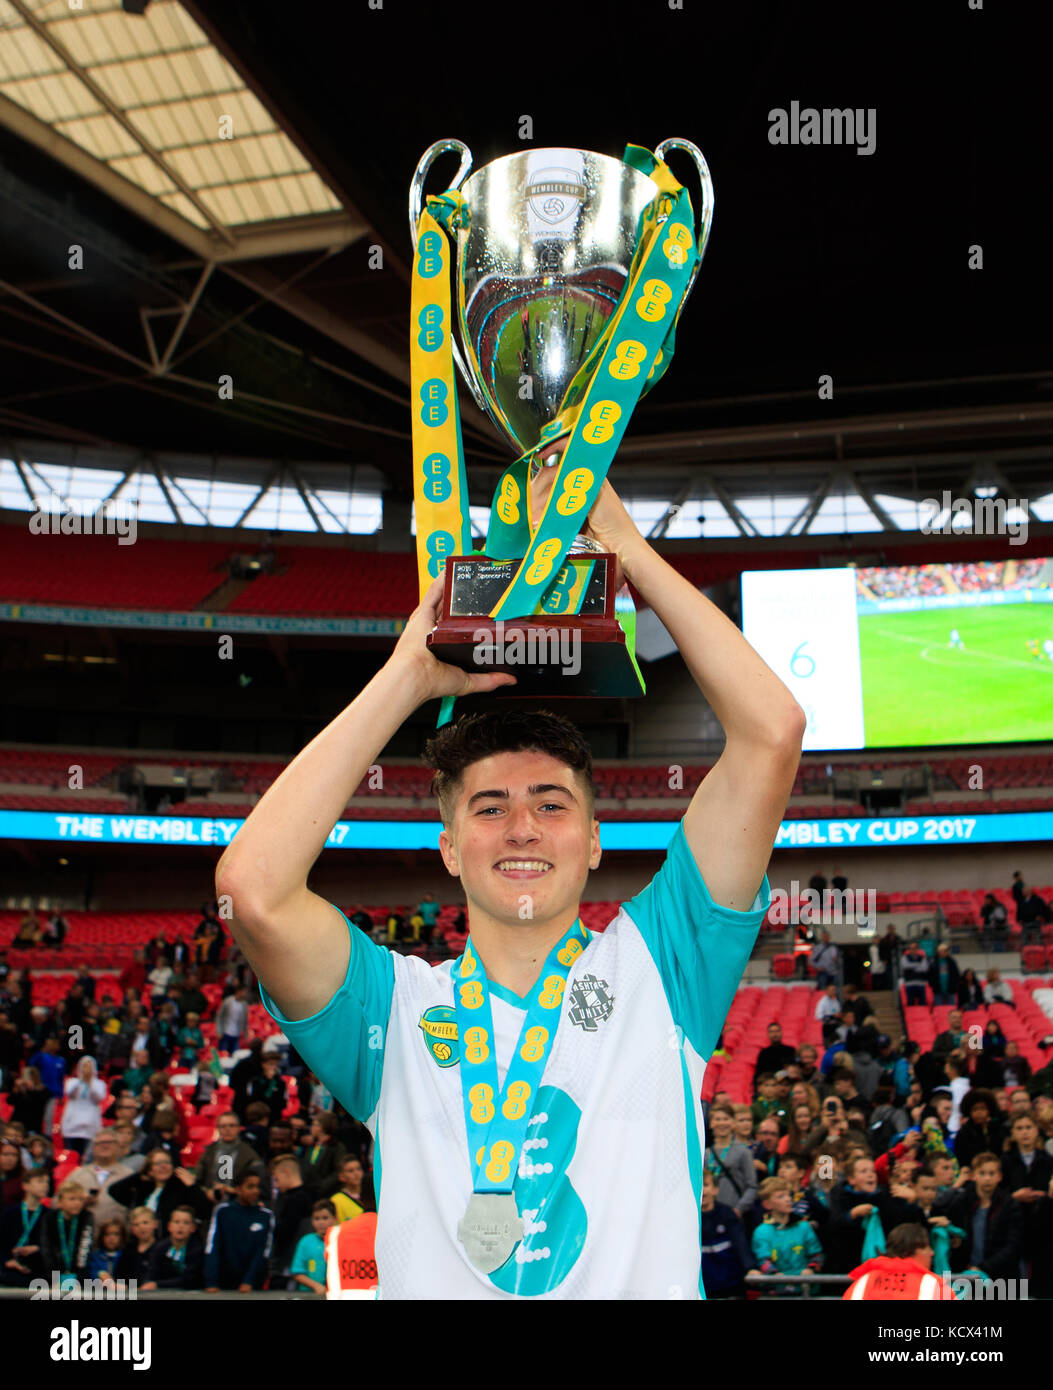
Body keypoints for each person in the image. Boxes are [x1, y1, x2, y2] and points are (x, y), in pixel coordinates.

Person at [214, 484, 805, 1300]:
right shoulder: (391, 1008)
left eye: (551, 805)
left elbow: (770, 732)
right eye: (489, 809)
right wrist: (406, 676)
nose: (522, 828)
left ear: (595, 842)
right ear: (450, 848)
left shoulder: (663, 965)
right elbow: (252, 890)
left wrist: (627, 549)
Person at [935, 1153, 1022, 1279]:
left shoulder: (1010, 1205)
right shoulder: (961, 1202)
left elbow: (1013, 1245)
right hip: (965, 1274)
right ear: (973, 1176)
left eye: (991, 1174)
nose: (987, 1178)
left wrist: (984, 1267)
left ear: (1000, 1177)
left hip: (1001, 1276)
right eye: (982, 1173)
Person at [748, 1176, 824, 1295]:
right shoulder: (761, 1231)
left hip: (806, 1291)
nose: (788, 1199)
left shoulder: (804, 1226)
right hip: (777, 1292)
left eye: (789, 1195)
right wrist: (775, 1275)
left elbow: (817, 1255)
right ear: (767, 1204)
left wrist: (811, 1269)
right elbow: (763, 1261)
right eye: (781, 1196)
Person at [842, 1221, 956, 1300]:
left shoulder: (863, 1282)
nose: (932, 1253)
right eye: (926, 1247)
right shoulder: (934, 1286)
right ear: (908, 1250)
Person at [203, 1172, 275, 1292]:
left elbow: (263, 1252)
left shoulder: (266, 1216)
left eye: (257, 1187)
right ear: (237, 1189)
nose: (255, 1191)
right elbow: (213, 1247)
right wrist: (211, 1281)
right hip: (223, 1283)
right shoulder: (223, 1212)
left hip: (253, 1286)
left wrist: (249, 1281)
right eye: (250, 1187)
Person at [67, 1127, 135, 1230]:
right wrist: (79, 1202)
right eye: (100, 1143)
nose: (105, 1145)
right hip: (80, 1237)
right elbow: (57, 1203)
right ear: (93, 1147)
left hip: (117, 1239)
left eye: (110, 1142)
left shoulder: (129, 1176)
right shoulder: (77, 1175)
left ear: (118, 1146)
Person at [699, 1169, 752, 1298]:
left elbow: (740, 1243)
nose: (702, 1190)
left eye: (706, 1185)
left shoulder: (727, 1213)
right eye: (699, 1186)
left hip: (730, 1284)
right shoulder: (688, 1217)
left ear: (715, 1190)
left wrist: (750, 1268)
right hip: (703, 1286)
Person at [703, 1103, 758, 1222]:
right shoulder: (705, 1154)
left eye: (726, 1119)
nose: (722, 1123)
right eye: (717, 1119)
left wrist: (738, 1210)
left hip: (733, 1214)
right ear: (711, 1123)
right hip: (709, 1214)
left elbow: (752, 1186)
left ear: (733, 1123)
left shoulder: (743, 1152)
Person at [194, 1113, 264, 1202]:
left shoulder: (249, 1154)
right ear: (218, 1128)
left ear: (239, 1128)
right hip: (209, 1201)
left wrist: (235, 1191)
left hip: (239, 1202)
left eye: (232, 1125)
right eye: (223, 1126)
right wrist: (207, 1191)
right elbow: (198, 1180)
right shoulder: (208, 1152)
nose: (227, 1129)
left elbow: (258, 1185)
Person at [0, 1166, 50, 1287]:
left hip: (40, 1275)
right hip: (11, 1273)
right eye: (40, 1181)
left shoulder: (50, 1215)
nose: (45, 1185)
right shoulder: (10, 1213)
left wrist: (37, 1248)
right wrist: (6, 1261)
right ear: (25, 1185)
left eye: (47, 1182)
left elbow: (53, 1246)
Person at [40, 1179, 94, 1289]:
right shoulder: (50, 1218)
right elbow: (46, 1249)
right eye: (72, 1199)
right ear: (60, 1202)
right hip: (52, 1276)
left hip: (79, 1276)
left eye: (80, 1199)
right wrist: (54, 1278)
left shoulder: (87, 1217)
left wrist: (79, 1279)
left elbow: (85, 1248)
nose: (77, 1203)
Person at [140, 1206, 205, 1291]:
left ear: (193, 1228)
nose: (181, 1226)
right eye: (176, 1222)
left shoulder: (197, 1249)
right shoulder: (160, 1248)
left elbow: (190, 1279)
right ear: (169, 1226)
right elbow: (152, 1274)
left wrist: (158, 1284)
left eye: (186, 1223)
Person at [60, 1056, 107, 1157]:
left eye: (89, 1066)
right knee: (71, 1155)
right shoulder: (72, 1082)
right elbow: (69, 1093)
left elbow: (98, 1098)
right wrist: (82, 1080)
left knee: (87, 1156)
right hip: (72, 1125)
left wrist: (89, 1082)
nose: (86, 1069)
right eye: (84, 1066)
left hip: (90, 1125)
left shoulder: (100, 1084)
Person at [290, 1199, 337, 1294]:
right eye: (317, 1219)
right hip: (309, 1293)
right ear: (312, 1221)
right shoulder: (306, 1241)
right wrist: (316, 1285)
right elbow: (296, 1272)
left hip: (335, 1293)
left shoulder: (340, 1239)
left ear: (335, 1219)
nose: (321, 1222)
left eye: (325, 1218)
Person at [114, 1206, 159, 1284]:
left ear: (155, 1224)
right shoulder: (128, 1249)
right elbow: (120, 1277)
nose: (141, 1227)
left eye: (145, 1222)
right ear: (132, 1229)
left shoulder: (161, 1248)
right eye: (136, 1224)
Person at [216, 987, 249, 1054]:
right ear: (239, 991)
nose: (246, 994)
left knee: (235, 1055)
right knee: (223, 1054)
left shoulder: (244, 1004)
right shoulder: (228, 1001)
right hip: (225, 1033)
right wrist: (219, 1031)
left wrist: (245, 1035)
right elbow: (220, 1016)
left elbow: (245, 1021)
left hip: (236, 1034)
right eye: (244, 992)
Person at [900, 940, 930, 1006]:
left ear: (917, 949)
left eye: (914, 948)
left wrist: (911, 966)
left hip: (921, 983)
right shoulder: (905, 957)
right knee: (910, 1003)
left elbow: (924, 969)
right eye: (911, 948)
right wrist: (918, 964)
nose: (912, 950)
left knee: (922, 1003)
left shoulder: (922, 958)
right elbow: (905, 966)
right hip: (909, 984)